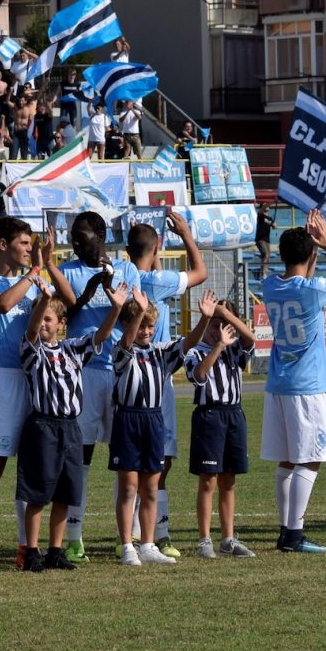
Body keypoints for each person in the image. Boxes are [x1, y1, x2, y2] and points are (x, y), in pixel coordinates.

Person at [0, 221, 74, 572]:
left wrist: (49, 267)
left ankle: (28, 548)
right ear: (2, 244)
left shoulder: (34, 283)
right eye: (24, 243)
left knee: (32, 471)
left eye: (31, 244)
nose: (29, 248)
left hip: (35, 381)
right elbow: (1, 304)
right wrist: (35, 272)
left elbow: (68, 305)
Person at [262, 210, 326, 553]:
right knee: (311, 458)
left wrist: (310, 252)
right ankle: (294, 534)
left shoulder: (270, 285)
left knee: (287, 460)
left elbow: (300, 277)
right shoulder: (313, 289)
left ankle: (286, 531)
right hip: (306, 385)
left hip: (278, 383)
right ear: (311, 255)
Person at [18, 279, 123, 572]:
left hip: (71, 427)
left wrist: (115, 310)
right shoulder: (32, 350)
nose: (42, 325)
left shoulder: (73, 350)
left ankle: (55, 549)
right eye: (40, 319)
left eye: (49, 319)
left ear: (62, 323)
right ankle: (31, 552)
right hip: (43, 426)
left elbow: (100, 337)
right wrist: (43, 300)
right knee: (38, 493)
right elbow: (30, 331)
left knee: (66, 492)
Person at [58, 212, 142, 562]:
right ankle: (75, 537)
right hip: (86, 373)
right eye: (74, 237)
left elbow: (138, 312)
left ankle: (132, 537)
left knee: (128, 457)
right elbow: (66, 314)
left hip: (122, 368)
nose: (76, 243)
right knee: (83, 455)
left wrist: (119, 303)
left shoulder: (127, 270)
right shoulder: (68, 271)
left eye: (82, 236)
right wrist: (94, 286)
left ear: (101, 235)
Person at [126, 210, 209, 558]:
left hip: (128, 377)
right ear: (158, 246)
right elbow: (200, 273)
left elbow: (147, 258)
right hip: (157, 378)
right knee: (160, 460)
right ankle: (158, 534)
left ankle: (134, 534)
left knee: (135, 462)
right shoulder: (158, 282)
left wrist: (150, 245)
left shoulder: (125, 278)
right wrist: (187, 235)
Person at [111, 289, 204, 566]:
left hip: (153, 421)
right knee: (128, 487)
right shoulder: (120, 349)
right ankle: (128, 544)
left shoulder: (160, 352)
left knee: (151, 487)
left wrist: (205, 320)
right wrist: (139, 311)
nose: (146, 331)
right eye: (141, 325)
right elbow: (127, 344)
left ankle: (149, 544)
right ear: (127, 325)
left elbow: (187, 344)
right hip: (128, 420)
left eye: (151, 326)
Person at [184, 290, 257, 559]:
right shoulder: (195, 350)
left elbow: (251, 338)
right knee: (208, 481)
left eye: (223, 324)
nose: (219, 330)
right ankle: (205, 539)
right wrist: (217, 346)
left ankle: (228, 538)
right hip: (209, 416)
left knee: (229, 481)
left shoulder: (236, 348)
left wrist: (228, 316)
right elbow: (199, 374)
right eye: (214, 323)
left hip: (234, 415)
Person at [256, 202, 276, 280]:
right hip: (260, 238)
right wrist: (268, 202)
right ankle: (263, 273)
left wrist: (274, 225)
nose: (267, 206)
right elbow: (261, 209)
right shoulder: (260, 215)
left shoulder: (270, 218)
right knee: (265, 254)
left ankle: (264, 269)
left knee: (268, 256)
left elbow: (275, 227)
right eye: (264, 205)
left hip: (267, 239)